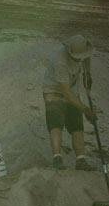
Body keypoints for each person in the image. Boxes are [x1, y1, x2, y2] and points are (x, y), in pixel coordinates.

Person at [42, 33, 100, 170]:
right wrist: (85, 109)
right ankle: (57, 158)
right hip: (53, 89)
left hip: (72, 88)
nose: (79, 59)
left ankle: (81, 161)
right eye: (76, 57)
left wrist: (88, 74)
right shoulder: (60, 61)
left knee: (77, 125)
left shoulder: (83, 52)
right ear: (70, 52)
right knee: (56, 122)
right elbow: (66, 94)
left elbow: (86, 58)